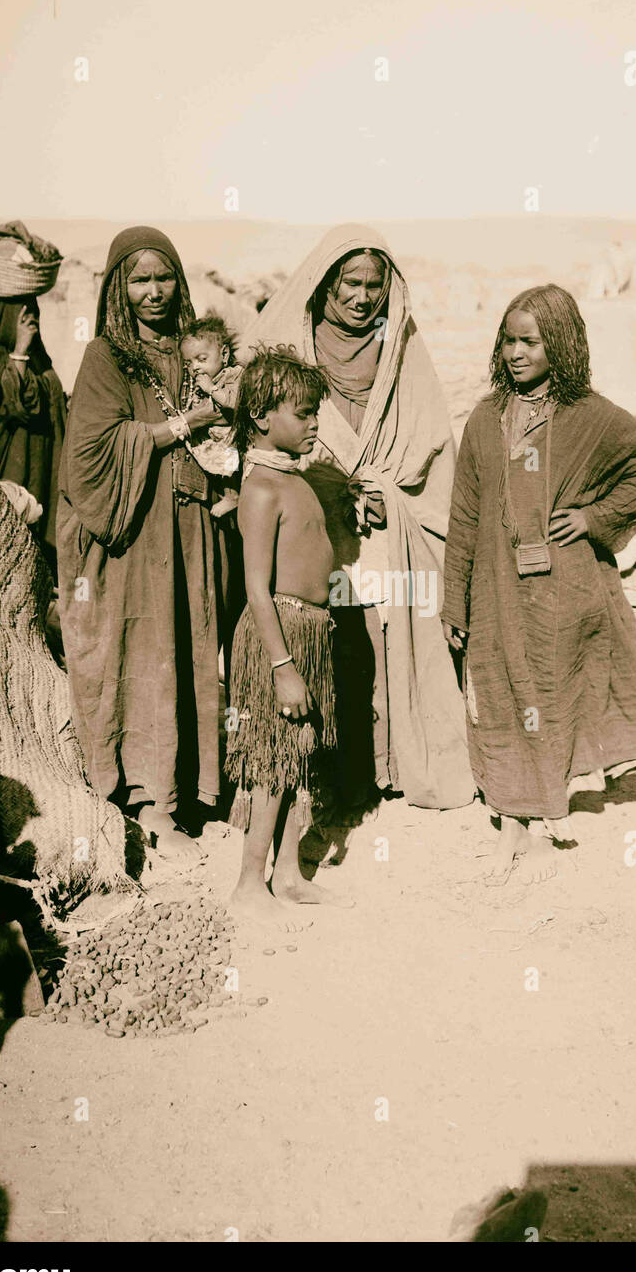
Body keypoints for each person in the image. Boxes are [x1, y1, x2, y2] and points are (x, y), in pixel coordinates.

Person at [442, 284, 636, 881]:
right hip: (496, 589)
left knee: (551, 699)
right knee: (499, 698)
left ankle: (547, 813)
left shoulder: (588, 415)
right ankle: (513, 826)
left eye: (531, 341)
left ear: (562, 346)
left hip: (563, 589)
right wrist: (454, 600)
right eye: (509, 339)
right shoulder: (485, 418)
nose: (516, 353)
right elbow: (466, 513)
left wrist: (594, 518)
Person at [238, 224, 474, 812]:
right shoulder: (292, 342)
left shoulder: (398, 346)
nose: (363, 297)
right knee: (324, 638)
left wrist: (385, 491)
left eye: (374, 286)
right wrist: (332, 487)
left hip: (383, 518)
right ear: (324, 284)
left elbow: (430, 439)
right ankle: (321, 781)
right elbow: (260, 422)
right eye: (350, 283)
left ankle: (380, 771)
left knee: (376, 639)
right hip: (309, 513)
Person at [56, 227, 229, 863]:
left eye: (164, 278)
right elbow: (90, 454)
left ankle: (192, 789)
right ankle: (151, 807)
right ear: (117, 289)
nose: (153, 292)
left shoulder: (193, 351)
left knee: (191, 650)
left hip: (190, 527)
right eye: (139, 279)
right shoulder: (105, 356)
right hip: (136, 536)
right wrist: (182, 427)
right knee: (150, 654)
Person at [224, 346, 347, 931]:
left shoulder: (295, 478)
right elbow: (255, 586)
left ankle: (290, 875)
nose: (314, 423)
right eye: (302, 413)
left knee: (302, 756)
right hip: (280, 634)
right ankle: (250, 881)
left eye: (315, 411)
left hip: (309, 630)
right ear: (261, 419)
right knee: (272, 760)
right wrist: (282, 666)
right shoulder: (261, 487)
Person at [0, 292, 67, 562]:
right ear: (2, 312)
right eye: (21, 309)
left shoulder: (35, 350)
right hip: (8, 466)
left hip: (43, 465)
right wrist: (19, 352)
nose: (31, 315)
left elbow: (49, 395)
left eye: (33, 306)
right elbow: (17, 405)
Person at [179, 314, 242, 519]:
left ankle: (232, 495)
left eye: (201, 359)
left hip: (231, 437)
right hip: (214, 434)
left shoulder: (233, 375)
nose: (194, 367)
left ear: (224, 355)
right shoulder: (202, 382)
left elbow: (233, 402)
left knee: (227, 460)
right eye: (188, 363)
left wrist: (211, 389)